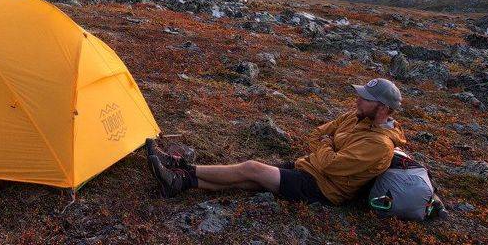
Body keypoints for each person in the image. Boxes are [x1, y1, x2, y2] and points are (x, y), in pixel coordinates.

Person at [147, 77, 405, 205]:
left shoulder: (379, 145)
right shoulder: (357, 116)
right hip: (309, 167)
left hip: (323, 189)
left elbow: (332, 166)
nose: (358, 100)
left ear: (382, 109)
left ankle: (180, 171)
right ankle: (180, 182)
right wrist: (327, 146)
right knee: (250, 180)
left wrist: (327, 146)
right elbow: (318, 132)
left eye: (365, 98)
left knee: (251, 168)